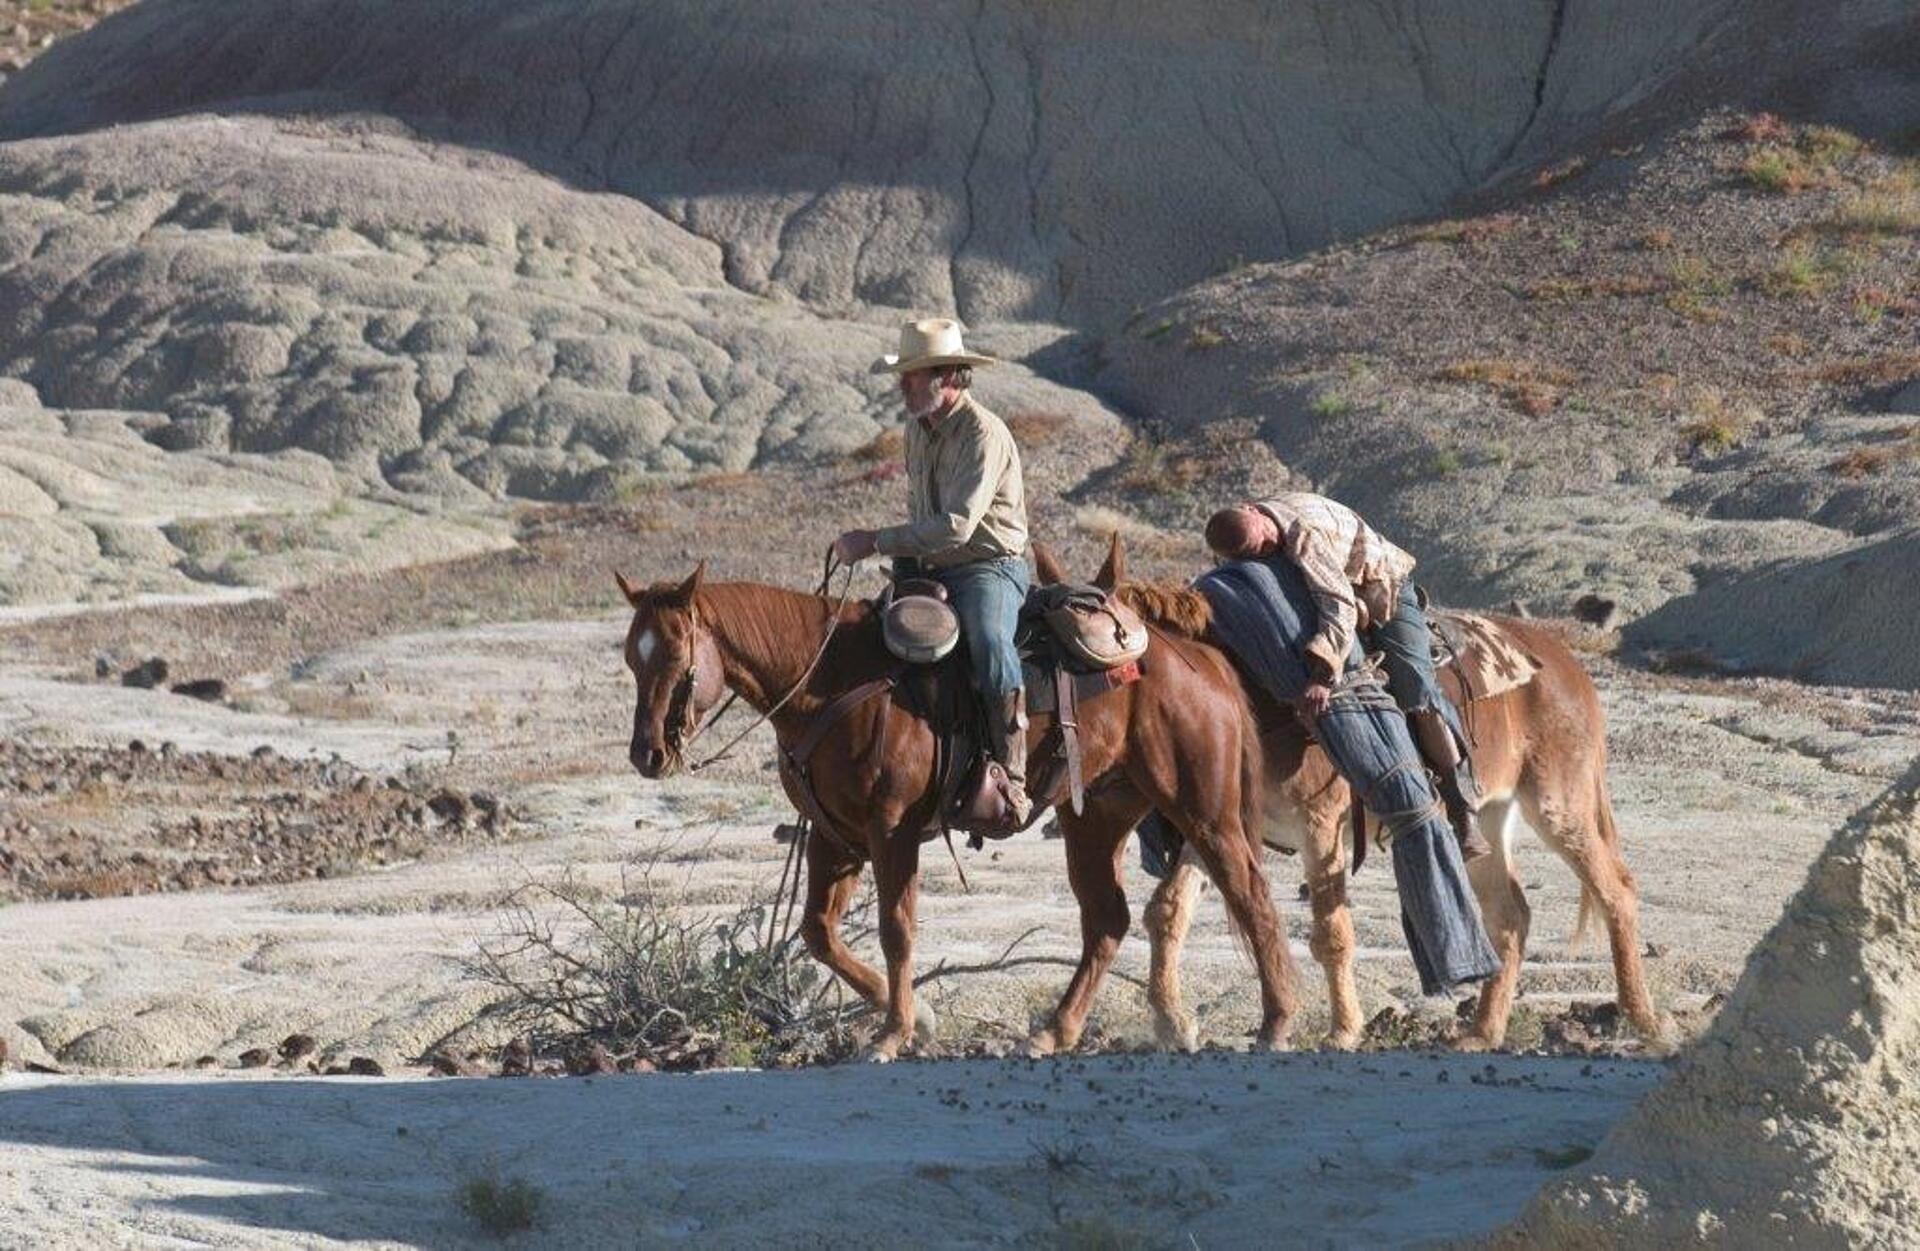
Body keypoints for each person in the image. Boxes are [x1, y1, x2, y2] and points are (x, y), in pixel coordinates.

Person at [1204, 494, 1491, 860]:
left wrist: (1323, 675)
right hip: (1314, 584)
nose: (1266, 553)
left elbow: (1338, 606)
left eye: (1266, 547)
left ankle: (1460, 805)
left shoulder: (1302, 535)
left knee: (1414, 687)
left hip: (1376, 583)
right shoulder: (1243, 536)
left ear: (1252, 511)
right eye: (1256, 555)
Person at [833, 319, 1035, 825]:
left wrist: (875, 540)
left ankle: (1014, 768)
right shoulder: (916, 430)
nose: (902, 385)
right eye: (903, 375)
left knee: (989, 640)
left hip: (990, 565)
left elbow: (958, 527)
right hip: (932, 564)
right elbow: (925, 514)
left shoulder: (982, 433)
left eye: (912, 375)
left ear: (946, 376)